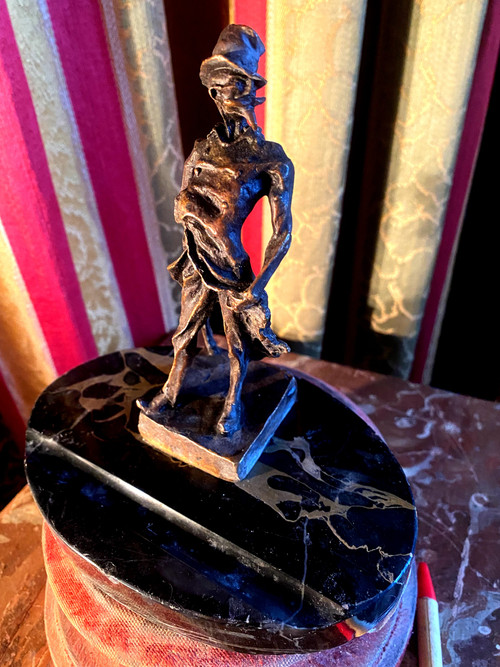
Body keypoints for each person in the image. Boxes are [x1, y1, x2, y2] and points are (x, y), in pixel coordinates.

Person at [161, 24, 294, 435]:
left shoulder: (270, 159)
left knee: (237, 345)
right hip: (195, 257)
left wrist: (260, 285)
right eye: (215, 88)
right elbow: (180, 203)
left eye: (231, 85)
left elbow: (283, 231)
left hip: (232, 266)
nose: (221, 97)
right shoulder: (201, 149)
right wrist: (193, 230)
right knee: (183, 333)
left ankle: (232, 405)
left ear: (250, 87)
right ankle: (169, 392)